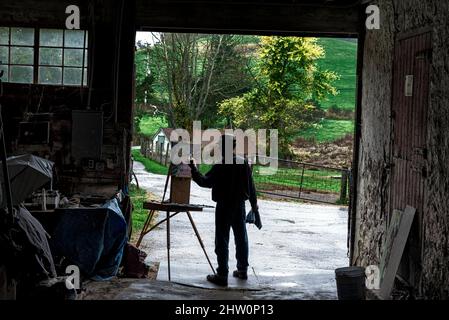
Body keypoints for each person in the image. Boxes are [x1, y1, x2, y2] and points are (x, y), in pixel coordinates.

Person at [188, 134, 261, 286]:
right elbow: (251, 187)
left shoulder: (221, 165)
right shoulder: (244, 163)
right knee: (241, 238)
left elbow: (204, 182)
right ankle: (242, 270)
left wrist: (193, 168)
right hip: (240, 206)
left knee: (222, 239)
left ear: (222, 147)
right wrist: (254, 206)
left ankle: (222, 275)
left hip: (224, 206)